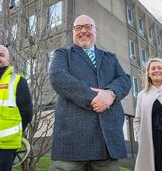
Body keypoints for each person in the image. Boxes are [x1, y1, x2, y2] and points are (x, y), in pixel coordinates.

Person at [48, 14, 132, 171]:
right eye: (78, 28)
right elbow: (58, 77)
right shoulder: (62, 54)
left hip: (106, 143)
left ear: (96, 31)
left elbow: (125, 79)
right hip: (71, 143)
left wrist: (111, 94)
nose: (83, 31)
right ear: (73, 32)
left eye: (88, 27)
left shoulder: (110, 58)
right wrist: (99, 99)